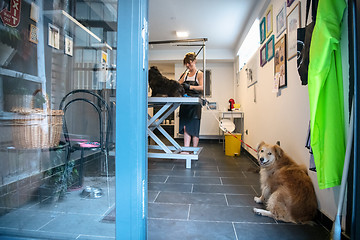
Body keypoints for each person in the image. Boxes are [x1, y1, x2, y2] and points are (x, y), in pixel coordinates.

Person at [178, 52, 204, 150]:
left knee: (194, 128)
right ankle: (186, 150)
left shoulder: (199, 74)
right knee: (185, 128)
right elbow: (178, 85)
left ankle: (194, 150)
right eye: (186, 64)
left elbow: (202, 88)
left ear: (194, 61)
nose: (188, 66)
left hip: (195, 105)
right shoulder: (184, 75)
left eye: (189, 63)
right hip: (185, 104)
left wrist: (190, 87)